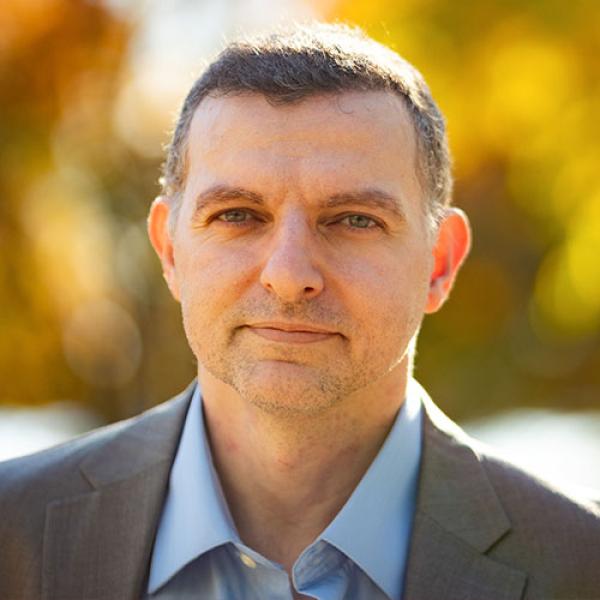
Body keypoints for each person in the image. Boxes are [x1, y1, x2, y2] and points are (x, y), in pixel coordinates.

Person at [0, 22, 599, 600]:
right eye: (237, 215)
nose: (289, 276)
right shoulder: (13, 536)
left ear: (440, 263)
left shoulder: (582, 565)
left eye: (353, 220)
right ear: (170, 249)